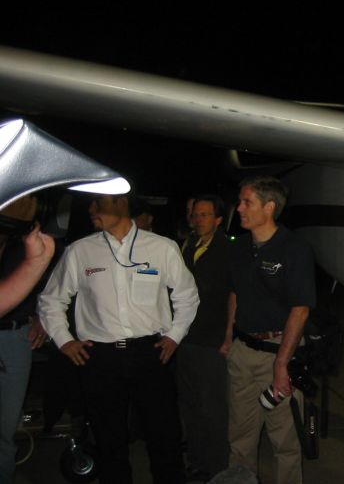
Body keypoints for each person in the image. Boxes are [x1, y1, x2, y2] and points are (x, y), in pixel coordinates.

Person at [37, 193, 199, 484]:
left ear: (121, 203)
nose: (91, 209)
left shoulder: (162, 248)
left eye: (98, 203)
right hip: (100, 358)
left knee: (165, 437)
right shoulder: (80, 251)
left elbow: (187, 297)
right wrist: (64, 340)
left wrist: (174, 336)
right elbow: (51, 300)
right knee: (108, 439)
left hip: (151, 352)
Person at [222, 176, 315, 484]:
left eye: (247, 202)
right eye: (240, 201)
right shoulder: (240, 247)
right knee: (240, 438)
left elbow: (300, 309)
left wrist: (282, 365)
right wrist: (228, 340)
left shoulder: (294, 248)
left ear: (270, 207)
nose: (239, 208)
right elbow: (235, 295)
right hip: (243, 352)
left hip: (278, 354)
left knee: (285, 441)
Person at [178, 194, 234, 481]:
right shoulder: (188, 247)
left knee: (213, 408)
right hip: (185, 339)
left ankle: (217, 467)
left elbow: (233, 297)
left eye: (204, 215)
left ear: (218, 219)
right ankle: (197, 460)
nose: (198, 220)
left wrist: (228, 336)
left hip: (211, 342)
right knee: (190, 405)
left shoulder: (227, 250)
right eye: (195, 215)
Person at [0, 196, 54, 481]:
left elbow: (46, 290)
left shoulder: (30, 241)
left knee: (5, 426)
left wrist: (42, 317)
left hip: (14, 336)